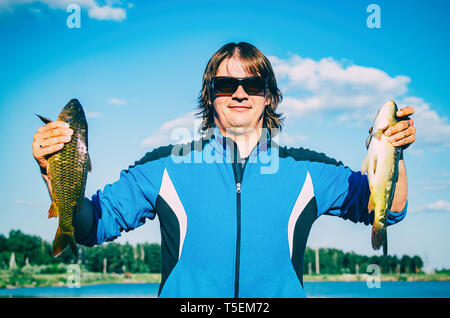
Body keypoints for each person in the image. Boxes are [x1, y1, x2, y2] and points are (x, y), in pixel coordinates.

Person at [32, 42, 416, 298]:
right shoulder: (164, 166)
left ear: (268, 96)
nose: (239, 92)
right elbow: (91, 226)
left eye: (252, 83)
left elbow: (385, 209)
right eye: (226, 83)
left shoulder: (309, 170)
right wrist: (55, 173)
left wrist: (392, 152)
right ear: (209, 95)